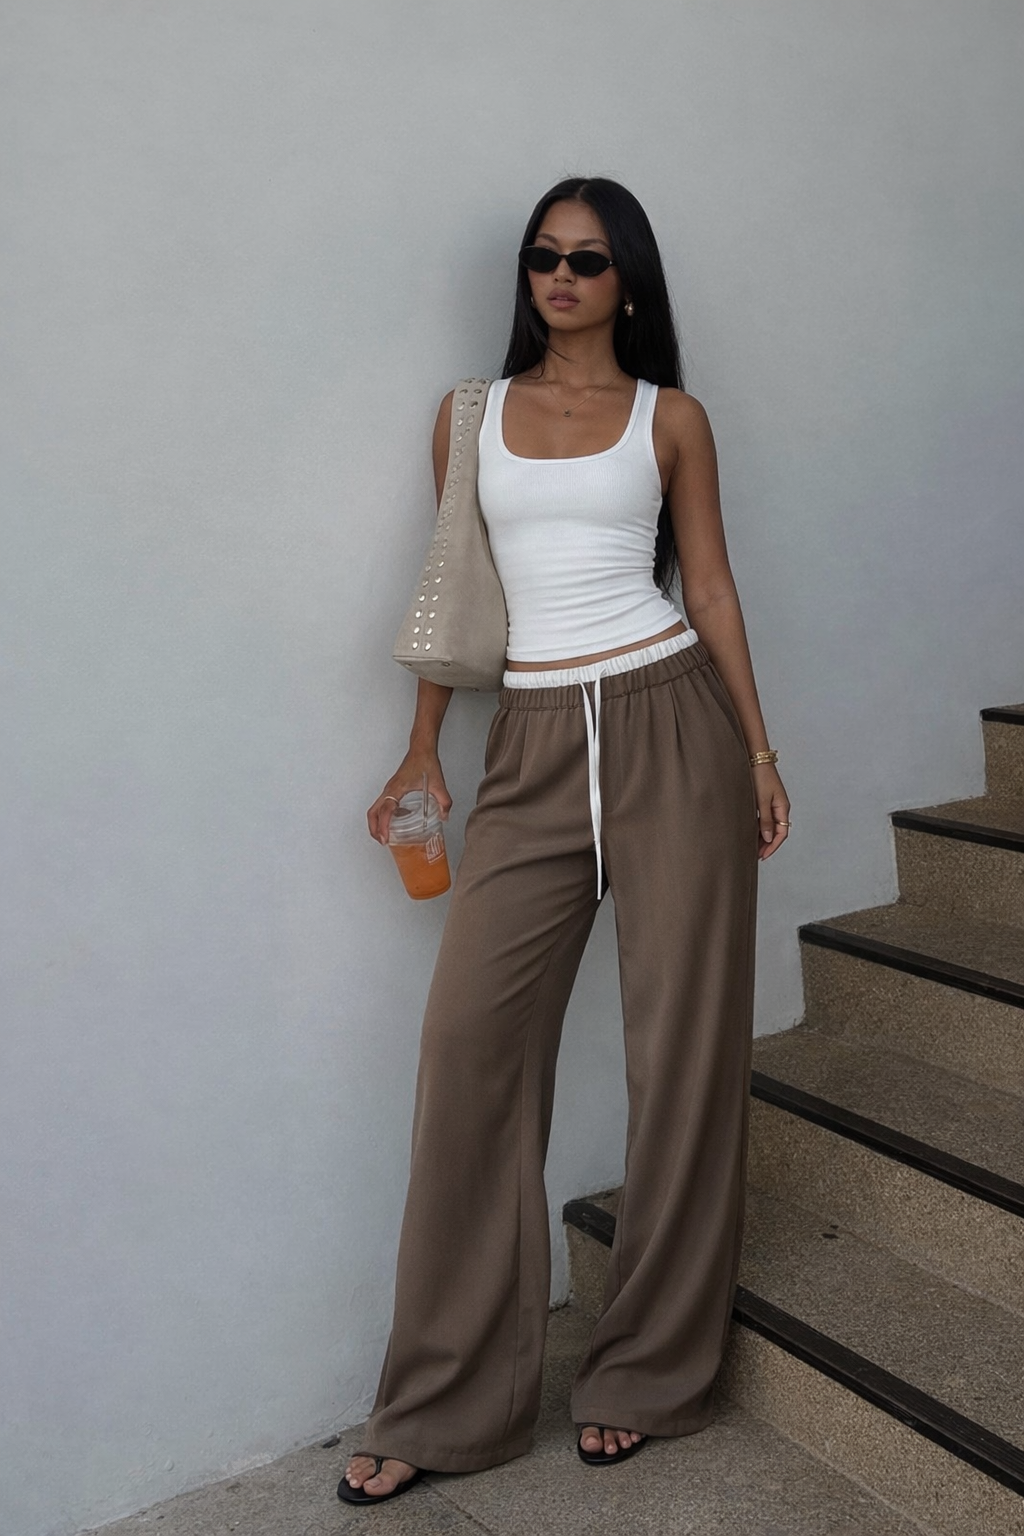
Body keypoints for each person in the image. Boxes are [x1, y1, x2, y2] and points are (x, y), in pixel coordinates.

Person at [339, 176, 790, 1506]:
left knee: (684, 1055)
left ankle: (647, 1371)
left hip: (672, 725)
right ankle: (446, 1399)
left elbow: (710, 585)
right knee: (468, 1049)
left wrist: (759, 752)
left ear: (627, 281)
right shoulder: (468, 416)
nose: (560, 276)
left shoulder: (671, 419)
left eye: (588, 260)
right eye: (543, 255)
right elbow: (454, 587)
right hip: (531, 745)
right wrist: (423, 749)